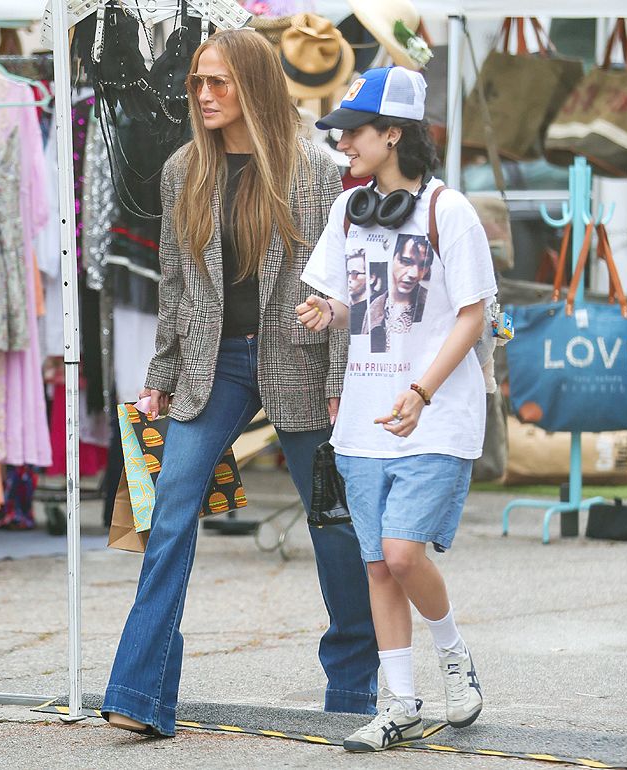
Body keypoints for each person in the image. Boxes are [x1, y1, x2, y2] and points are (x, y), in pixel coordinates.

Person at [101, 29, 379, 738]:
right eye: (198, 81)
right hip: (212, 362)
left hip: (301, 358)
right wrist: (161, 374)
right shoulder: (181, 170)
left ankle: (353, 696)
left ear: (252, 83)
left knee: (333, 527)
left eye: (219, 81)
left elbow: (343, 280)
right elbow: (173, 282)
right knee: (169, 512)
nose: (203, 94)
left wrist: (342, 379)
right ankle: (140, 694)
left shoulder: (315, 169)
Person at [297, 66, 497, 752]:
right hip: (364, 417)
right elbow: (361, 300)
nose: (344, 141)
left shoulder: (451, 212)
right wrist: (328, 307)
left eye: (355, 130)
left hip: (436, 412)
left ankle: (452, 652)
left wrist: (421, 391)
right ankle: (401, 703)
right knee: (378, 566)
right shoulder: (348, 211)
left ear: (395, 134)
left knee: (404, 554)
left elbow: (472, 316)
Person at [365, 233, 432, 351]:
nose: (414, 274)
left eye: (423, 265)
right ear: (391, 256)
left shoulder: (432, 302)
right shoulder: (374, 307)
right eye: (406, 261)